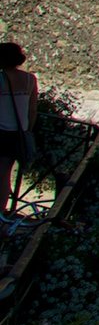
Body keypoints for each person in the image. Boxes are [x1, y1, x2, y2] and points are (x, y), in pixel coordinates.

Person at [0, 44, 33, 207]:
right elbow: (32, 111)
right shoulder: (30, 79)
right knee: (5, 176)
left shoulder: (1, 78)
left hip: (2, 132)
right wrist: (28, 131)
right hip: (18, 134)